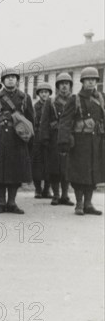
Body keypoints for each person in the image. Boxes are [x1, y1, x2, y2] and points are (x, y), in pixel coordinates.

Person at [0, 68, 35, 214]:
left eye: (13, 77)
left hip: (18, 139)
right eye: (7, 77)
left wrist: (30, 140)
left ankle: (12, 202)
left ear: (17, 80)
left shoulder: (25, 98)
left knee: (16, 172)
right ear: (3, 81)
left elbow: (31, 120)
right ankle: (1, 202)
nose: (11, 79)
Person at [58, 66, 105, 216]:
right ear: (82, 82)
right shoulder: (75, 99)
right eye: (88, 80)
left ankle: (88, 204)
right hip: (79, 142)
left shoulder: (100, 98)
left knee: (93, 174)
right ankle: (79, 204)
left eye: (94, 80)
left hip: (95, 141)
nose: (91, 82)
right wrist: (64, 141)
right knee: (79, 174)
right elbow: (65, 121)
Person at [39, 73, 75, 206]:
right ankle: (55, 195)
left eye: (67, 83)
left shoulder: (75, 100)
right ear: (58, 86)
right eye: (61, 84)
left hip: (69, 137)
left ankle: (65, 196)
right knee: (54, 168)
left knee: (66, 167)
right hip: (54, 138)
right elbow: (44, 121)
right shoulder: (51, 101)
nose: (64, 86)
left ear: (70, 86)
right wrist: (45, 138)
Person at [32, 83, 53, 199]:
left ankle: (47, 189)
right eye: (42, 92)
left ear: (49, 93)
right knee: (37, 164)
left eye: (46, 92)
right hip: (37, 138)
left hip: (50, 138)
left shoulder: (53, 105)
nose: (44, 94)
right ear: (39, 94)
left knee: (49, 163)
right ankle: (38, 189)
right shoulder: (35, 107)